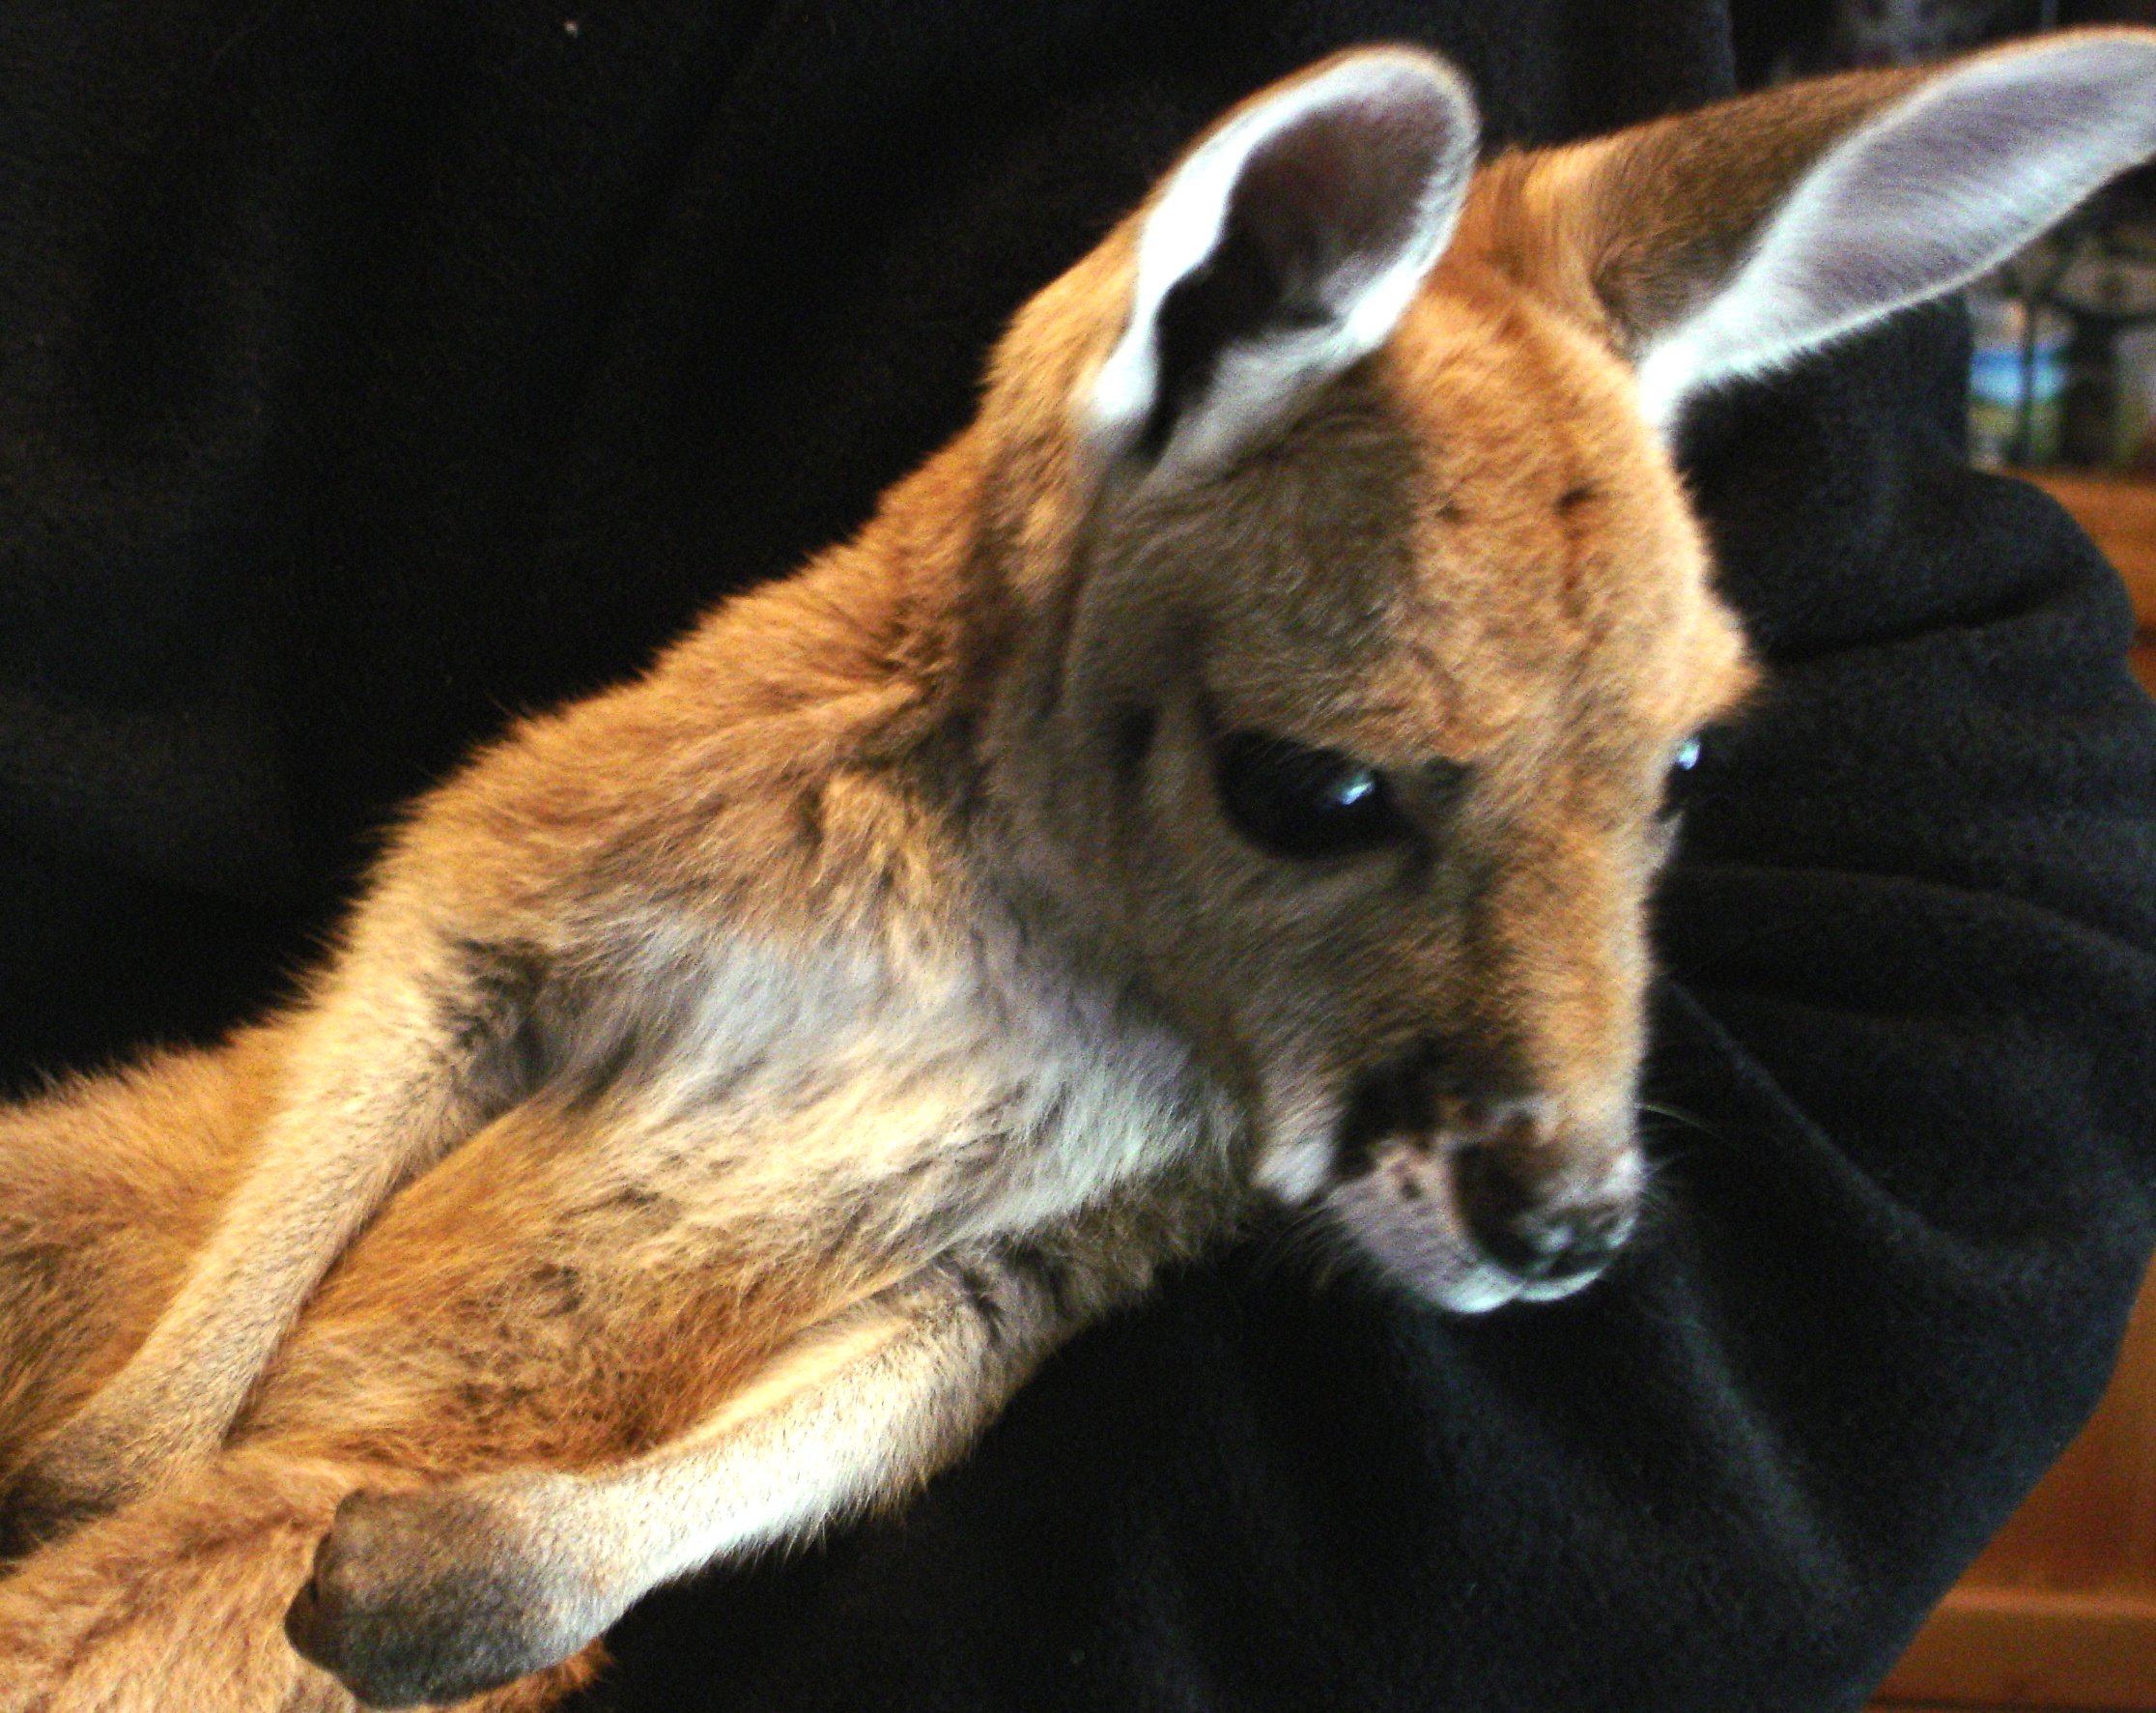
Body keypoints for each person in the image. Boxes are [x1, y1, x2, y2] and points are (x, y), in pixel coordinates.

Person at [3, 2, 2150, 1707]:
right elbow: (479, 939)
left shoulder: (1223, 981)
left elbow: (974, 1312)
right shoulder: (860, 701)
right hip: (173, 1207)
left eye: (1662, 772)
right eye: (1328, 794)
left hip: (469, 1496)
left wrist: (602, 1543)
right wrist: (170, 1381)